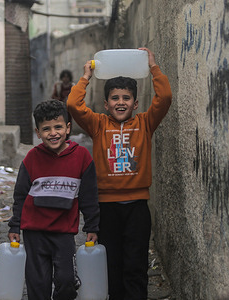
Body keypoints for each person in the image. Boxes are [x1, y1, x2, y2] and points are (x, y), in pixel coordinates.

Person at [66, 47, 172, 300]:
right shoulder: (98, 125)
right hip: (107, 209)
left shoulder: (145, 123)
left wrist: (153, 67)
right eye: (115, 98)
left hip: (137, 207)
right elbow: (73, 104)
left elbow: (165, 97)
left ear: (135, 103)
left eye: (126, 98)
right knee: (112, 266)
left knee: (135, 266)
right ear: (106, 104)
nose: (120, 102)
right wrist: (86, 77)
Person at [8, 100, 100, 300]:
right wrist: (15, 226)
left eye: (58, 127)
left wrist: (92, 226)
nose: (53, 133)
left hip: (64, 233)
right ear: (38, 132)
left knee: (67, 281)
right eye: (46, 129)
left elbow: (89, 195)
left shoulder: (82, 157)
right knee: (37, 285)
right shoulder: (32, 158)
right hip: (34, 233)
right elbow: (20, 195)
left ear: (68, 128)